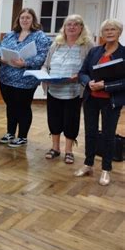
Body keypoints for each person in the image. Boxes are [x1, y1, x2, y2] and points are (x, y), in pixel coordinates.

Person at [75, 19, 125, 186]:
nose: (109, 32)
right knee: (90, 133)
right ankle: (88, 164)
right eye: (106, 30)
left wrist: (106, 85)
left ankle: (106, 169)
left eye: (113, 29)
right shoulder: (95, 51)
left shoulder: (124, 54)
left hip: (111, 101)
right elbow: (82, 72)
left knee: (108, 136)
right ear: (102, 34)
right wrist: (88, 82)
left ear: (119, 32)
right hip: (91, 99)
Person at [42, 15, 93, 164]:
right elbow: (46, 65)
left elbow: (91, 68)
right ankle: (55, 148)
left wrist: (78, 76)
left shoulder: (87, 45)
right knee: (54, 118)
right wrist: (44, 74)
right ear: (64, 28)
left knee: (71, 120)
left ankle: (69, 151)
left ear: (81, 28)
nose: (71, 27)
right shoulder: (56, 44)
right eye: (68, 24)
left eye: (75, 25)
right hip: (54, 89)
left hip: (74, 90)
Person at [0, 7, 51, 147]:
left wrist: (25, 63)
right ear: (18, 19)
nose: (25, 20)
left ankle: (22, 136)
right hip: (5, 77)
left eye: (28, 17)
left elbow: (42, 56)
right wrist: (1, 57)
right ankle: (10, 132)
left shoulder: (40, 36)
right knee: (11, 106)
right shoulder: (10, 34)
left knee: (23, 107)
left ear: (33, 19)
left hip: (26, 79)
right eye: (22, 17)